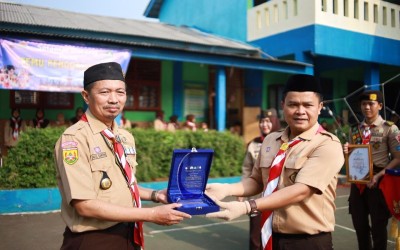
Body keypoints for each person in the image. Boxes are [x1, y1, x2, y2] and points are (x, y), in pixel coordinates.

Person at [54, 62, 191, 250]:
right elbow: (84, 205)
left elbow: (127, 185)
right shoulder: (74, 139)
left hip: (128, 233)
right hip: (94, 239)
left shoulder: (124, 137)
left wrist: (156, 195)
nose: (114, 99)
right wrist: (150, 215)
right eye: (104, 92)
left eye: (120, 92)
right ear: (86, 96)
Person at [206, 74, 344, 250]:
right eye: (293, 104)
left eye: (308, 105)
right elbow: (256, 181)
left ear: (320, 107)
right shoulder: (271, 140)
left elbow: (301, 190)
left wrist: (247, 206)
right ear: (283, 106)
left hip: (308, 242)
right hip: (269, 235)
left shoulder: (327, 144)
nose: (300, 111)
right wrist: (226, 189)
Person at [343, 90, 400, 250]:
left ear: (380, 106)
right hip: (358, 182)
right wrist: (346, 151)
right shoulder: (354, 130)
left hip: (379, 183)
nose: (366, 107)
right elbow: (352, 156)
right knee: (359, 226)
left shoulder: (390, 129)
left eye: (371, 103)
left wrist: (379, 175)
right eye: (363, 104)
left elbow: (398, 157)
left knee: (378, 228)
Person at [238, 108, 280, 250]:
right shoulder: (253, 144)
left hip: (279, 198)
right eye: (262, 121)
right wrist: (242, 191)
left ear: (275, 121)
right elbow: (247, 169)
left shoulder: (285, 141)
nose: (264, 125)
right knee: (255, 236)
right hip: (257, 197)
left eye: (268, 121)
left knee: (277, 235)